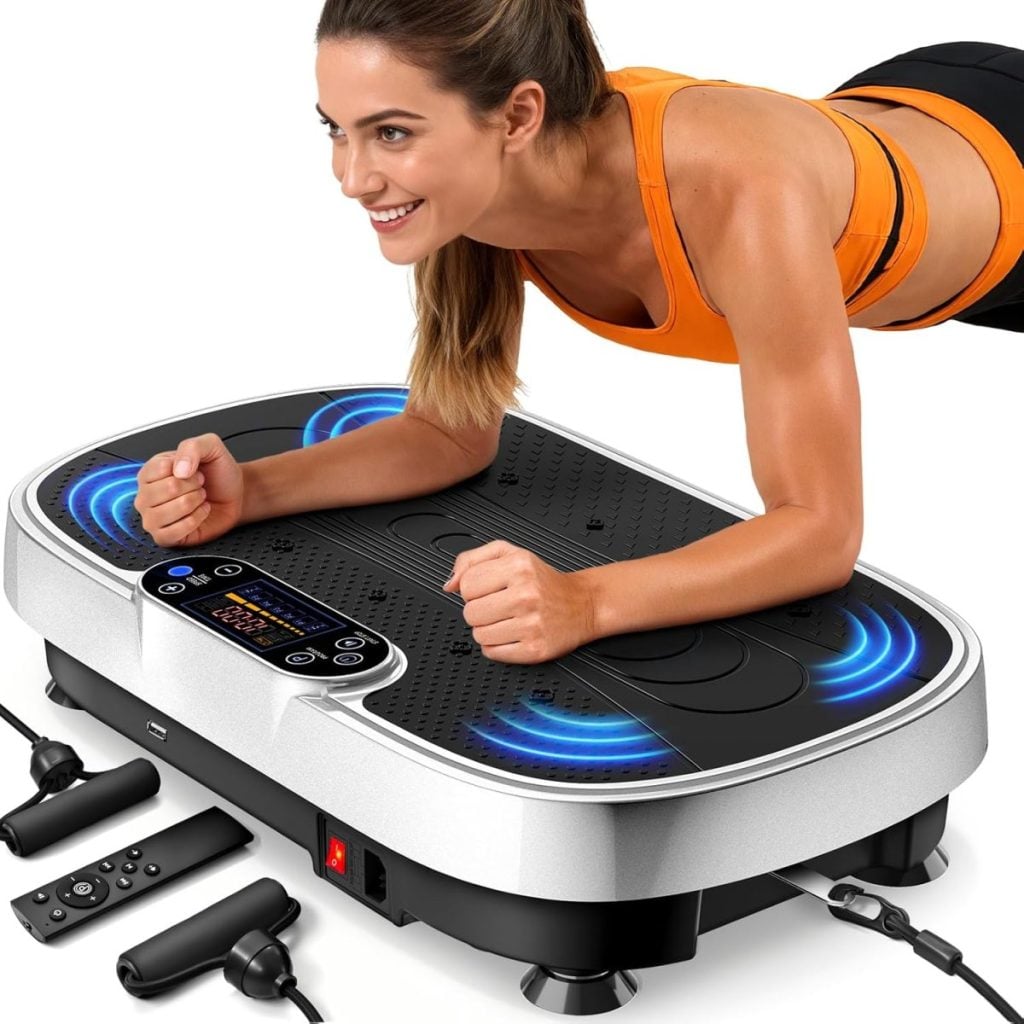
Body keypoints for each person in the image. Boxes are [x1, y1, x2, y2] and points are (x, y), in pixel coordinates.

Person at [134, 0, 1024, 665]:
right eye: (336, 130)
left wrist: (588, 601)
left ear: (518, 116)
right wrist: (252, 490)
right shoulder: (483, 204)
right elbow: (449, 434)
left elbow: (821, 532)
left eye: (392, 133)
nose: (351, 177)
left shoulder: (738, 190)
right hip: (911, 109)